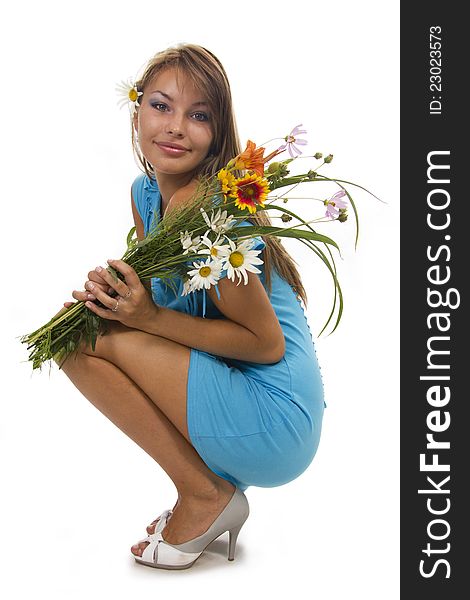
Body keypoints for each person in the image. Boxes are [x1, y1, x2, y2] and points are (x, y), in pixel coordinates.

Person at [60, 43, 325, 570]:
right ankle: (204, 490)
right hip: (234, 385)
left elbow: (266, 345)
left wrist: (147, 319)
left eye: (198, 115)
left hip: (275, 415)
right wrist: (118, 298)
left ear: (218, 134)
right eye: (161, 106)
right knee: (79, 334)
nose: (176, 126)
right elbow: (164, 302)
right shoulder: (146, 193)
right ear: (136, 112)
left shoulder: (207, 212)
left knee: (81, 342)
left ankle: (204, 496)